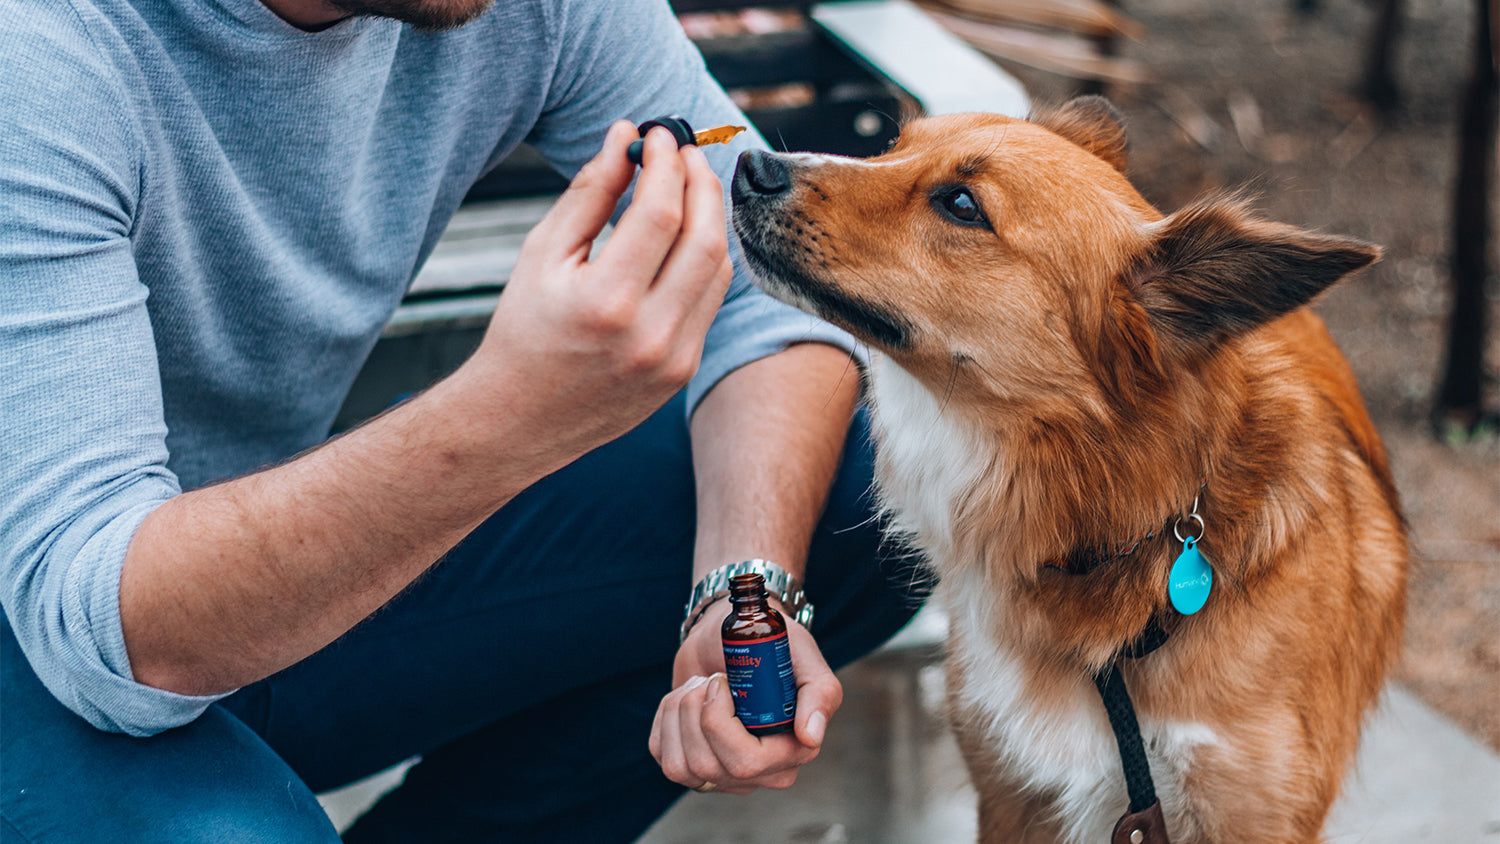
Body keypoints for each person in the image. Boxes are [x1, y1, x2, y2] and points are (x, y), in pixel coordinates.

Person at [0, 0, 921, 840]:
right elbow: (100, 634)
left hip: (255, 592)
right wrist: (515, 410)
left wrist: (740, 593)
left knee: (872, 498)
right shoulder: (40, 53)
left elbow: (761, 299)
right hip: (56, 622)